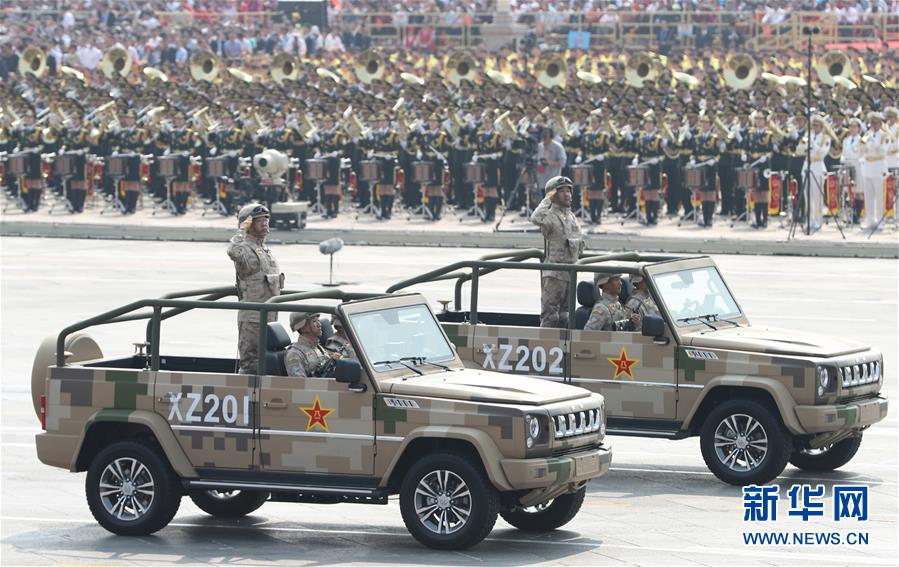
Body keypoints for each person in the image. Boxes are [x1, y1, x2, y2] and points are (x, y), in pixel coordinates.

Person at [227, 203, 284, 374]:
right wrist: (241, 231)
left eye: (266, 219)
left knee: (268, 361)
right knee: (251, 364)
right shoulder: (244, 247)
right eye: (259, 220)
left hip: (270, 316)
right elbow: (233, 252)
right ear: (248, 223)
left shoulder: (265, 249)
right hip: (252, 318)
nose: (265, 223)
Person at [531, 176, 584, 328]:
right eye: (562, 191)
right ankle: (548, 347)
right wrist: (547, 199)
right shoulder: (550, 215)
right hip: (554, 274)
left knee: (566, 316)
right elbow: (535, 218)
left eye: (569, 190)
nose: (567, 194)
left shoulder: (571, 216)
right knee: (550, 316)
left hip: (570, 273)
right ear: (553, 194)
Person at [286, 312, 341, 377]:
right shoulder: (295, 354)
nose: (319, 324)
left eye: (318, 320)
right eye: (314, 321)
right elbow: (299, 384)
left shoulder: (318, 348)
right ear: (303, 328)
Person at [535, 128, 566, 196]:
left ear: (551, 138)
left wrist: (550, 162)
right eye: (543, 139)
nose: (545, 141)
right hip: (541, 180)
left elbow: (562, 163)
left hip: (553, 180)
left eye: (546, 139)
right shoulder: (540, 146)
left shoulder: (558, 147)